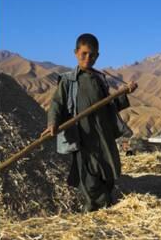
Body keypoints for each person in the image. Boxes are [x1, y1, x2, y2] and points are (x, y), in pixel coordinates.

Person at [41, 33, 138, 212]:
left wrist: (125, 93)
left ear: (97, 56)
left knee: (108, 172)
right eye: (84, 53)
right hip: (83, 137)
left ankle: (105, 205)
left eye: (92, 55)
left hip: (103, 135)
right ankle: (93, 210)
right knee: (88, 177)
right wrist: (53, 122)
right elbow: (57, 103)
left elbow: (110, 106)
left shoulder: (100, 79)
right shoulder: (68, 80)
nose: (88, 58)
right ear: (76, 53)